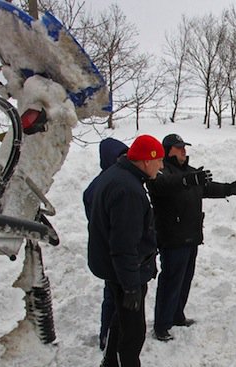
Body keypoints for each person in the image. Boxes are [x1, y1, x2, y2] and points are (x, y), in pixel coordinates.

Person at [147, 133, 236, 341]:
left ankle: (177, 316)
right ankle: (162, 325)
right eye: (179, 147)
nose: (184, 150)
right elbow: (164, 185)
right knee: (170, 282)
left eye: (185, 147)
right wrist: (188, 180)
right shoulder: (160, 171)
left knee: (185, 280)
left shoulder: (191, 173)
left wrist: (229, 189)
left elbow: (207, 188)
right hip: (172, 238)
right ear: (168, 150)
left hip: (191, 236)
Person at [87, 134, 164, 367]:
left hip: (119, 270)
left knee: (120, 322)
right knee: (133, 333)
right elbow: (124, 245)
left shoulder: (118, 175)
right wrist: (131, 286)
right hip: (125, 273)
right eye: (159, 160)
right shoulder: (128, 190)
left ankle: (109, 362)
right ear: (146, 161)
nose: (161, 167)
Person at [82, 137, 128, 351]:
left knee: (118, 296)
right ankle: (107, 336)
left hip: (116, 249)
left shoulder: (120, 180)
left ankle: (114, 334)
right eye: (120, 156)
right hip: (110, 251)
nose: (125, 159)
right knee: (113, 296)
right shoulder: (100, 186)